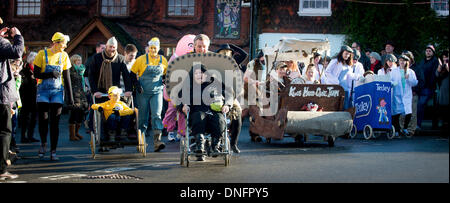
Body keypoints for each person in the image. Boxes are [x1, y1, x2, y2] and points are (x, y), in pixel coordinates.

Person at [33, 32, 74, 161]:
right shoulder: (42, 54)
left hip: (57, 91)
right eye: (63, 44)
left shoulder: (64, 56)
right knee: (43, 120)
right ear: (55, 43)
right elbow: (36, 74)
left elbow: (67, 77)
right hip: (43, 91)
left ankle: (53, 151)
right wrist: (50, 74)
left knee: (55, 122)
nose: (65, 46)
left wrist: (70, 97)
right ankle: (43, 143)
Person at [180, 65, 231, 161]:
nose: (199, 75)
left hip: (215, 112)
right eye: (196, 73)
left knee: (219, 119)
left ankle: (215, 146)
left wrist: (227, 105)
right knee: (199, 116)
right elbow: (181, 99)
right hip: (197, 112)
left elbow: (229, 94)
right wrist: (184, 105)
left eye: (201, 72)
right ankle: (200, 146)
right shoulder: (189, 86)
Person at [130, 37, 167, 152]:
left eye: (155, 48)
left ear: (158, 48)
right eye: (151, 48)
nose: (153, 50)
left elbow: (166, 75)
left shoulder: (163, 60)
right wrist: (136, 85)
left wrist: (165, 80)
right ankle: (141, 141)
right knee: (143, 116)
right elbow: (132, 74)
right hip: (143, 92)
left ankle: (157, 141)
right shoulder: (141, 59)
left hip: (157, 92)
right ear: (148, 48)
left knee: (156, 115)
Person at [1, 25, 24, 180]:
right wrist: (18, 36)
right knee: (4, 131)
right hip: (0, 95)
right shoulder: (1, 42)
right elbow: (17, 52)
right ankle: (2, 169)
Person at [391, 54, 418, 137]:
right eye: (400, 60)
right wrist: (394, 83)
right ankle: (397, 130)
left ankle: (405, 128)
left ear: (407, 62)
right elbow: (390, 80)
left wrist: (409, 78)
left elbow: (415, 83)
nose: (402, 62)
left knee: (408, 112)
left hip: (406, 94)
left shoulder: (410, 71)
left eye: (404, 61)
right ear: (398, 61)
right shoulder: (394, 71)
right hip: (397, 94)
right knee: (396, 113)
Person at [243, 50, 266, 142]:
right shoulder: (253, 63)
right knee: (243, 113)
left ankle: (255, 135)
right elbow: (245, 78)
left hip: (262, 93)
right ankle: (231, 133)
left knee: (257, 114)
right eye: (264, 57)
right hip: (249, 91)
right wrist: (254, 82)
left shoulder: (271, 64)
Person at [416, 45, 440, 131]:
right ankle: (413, 124)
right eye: (427, 50)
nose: (428, 52)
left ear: (433, 52)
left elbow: (434, 76)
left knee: (420, 104)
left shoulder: (435, 61)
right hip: (420, 87)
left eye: (430, 50)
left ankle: (418, 125)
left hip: (428, 88)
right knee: (415, 105)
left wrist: (430, 85)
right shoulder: (422, 61)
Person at [321, 45, 353, 109]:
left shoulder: (347, 63)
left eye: (349, 54)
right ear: (342, 52)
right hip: (336, 86)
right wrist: (336, 81)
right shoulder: (335, 61)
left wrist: (358, 77)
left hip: (345, 88)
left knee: (345, 106)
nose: (347, 56)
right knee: (337, 105)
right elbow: (327, 72)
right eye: (346, 54)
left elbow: (350, 75)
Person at [19, 51, 39, 143]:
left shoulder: (37, 70)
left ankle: (31, 135)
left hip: (36, 97)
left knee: (34, 118)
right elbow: (23, 85)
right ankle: (23, 136)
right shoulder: (25, 71)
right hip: (27, 97)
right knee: (25, 117)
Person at [68, 54, 88, 141]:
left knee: (81, 114)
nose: (79, 62)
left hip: (82, 94)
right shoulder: (71, 71)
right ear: (73, 62)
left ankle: (76, 132)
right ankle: (72, 135)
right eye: (77, 61)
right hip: (74, 94)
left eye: (80, 60)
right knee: (74, 114)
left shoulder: (82, 70)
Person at [9, 58, 23, 153]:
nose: (15, 71)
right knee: (8, 126)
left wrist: (17, 77)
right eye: (14, 70)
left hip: (15, 103)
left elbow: (17, 87)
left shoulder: (18, 78)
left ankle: (12, 144)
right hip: (8, 103)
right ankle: (9, 146)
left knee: (13, 125)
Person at [436, 50, 449, 131]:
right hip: (443, 92)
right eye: (443, 57)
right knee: (444, 113)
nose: (445, 59)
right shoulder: (442, 66)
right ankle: (444, 130)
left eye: (446, 57)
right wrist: (439, 68)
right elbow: (436, 75)